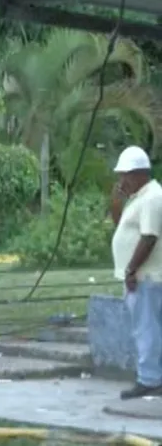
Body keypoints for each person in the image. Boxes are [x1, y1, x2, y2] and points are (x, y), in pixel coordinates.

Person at [110, 146, 162, 400]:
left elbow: (149, 237)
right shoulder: (140, 197)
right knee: (148, 328)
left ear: (139, 173)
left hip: (146, 278)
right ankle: (152, 377)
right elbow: (119, 224)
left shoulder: (153, 197)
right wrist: (116, 199)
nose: (122, 180)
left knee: (146, 329)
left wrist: (131, 270)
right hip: (141, 277)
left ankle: (149, 380)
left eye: (124, 175)